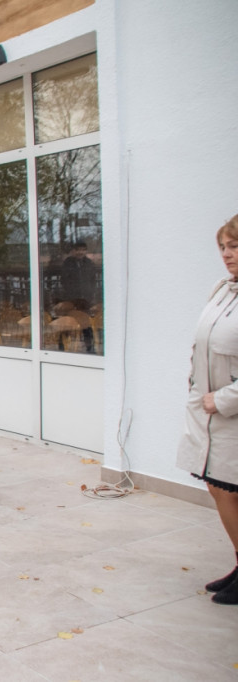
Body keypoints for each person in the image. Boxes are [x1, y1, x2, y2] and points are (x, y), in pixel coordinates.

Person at [177, 213, 238, 605]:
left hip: (229, 413)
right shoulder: (223, 289)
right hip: (209, 414)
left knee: (227, 489)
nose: (227, 254)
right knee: (219, 487)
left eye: (234, 246)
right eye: (223, 246)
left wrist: (226, 399)